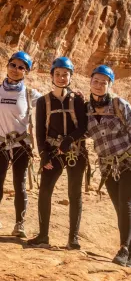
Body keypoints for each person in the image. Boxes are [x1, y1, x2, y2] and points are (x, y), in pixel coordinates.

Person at [85, 65, 131, 268]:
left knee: (126, 204)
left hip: (130, 163)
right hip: (108, 167)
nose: (99, 85)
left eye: (103, 82)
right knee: (120, 209)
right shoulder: (86, 109)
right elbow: (84, 133)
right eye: (95, 81)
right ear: (90, 82)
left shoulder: (119, 105)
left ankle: (123, 249)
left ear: (110, 84)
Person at [27, 57, 88, 249]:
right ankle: (43, 236)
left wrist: (70, 139)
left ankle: (73, 238)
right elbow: (39, 132)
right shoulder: (43, 101)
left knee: (74, 194)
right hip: (53, 152)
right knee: (45, 191)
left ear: (71, 76)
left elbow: (84, 126)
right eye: (58, 74)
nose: (62, 78)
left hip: (75, 153)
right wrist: (43, 155)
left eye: (65, 74)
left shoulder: (78, 99)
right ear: (52, 76)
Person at [0, 52, 41, 238]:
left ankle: (19, 224)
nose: (16, 70)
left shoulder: (30, 94)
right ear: (7, 65)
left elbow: (53, 104)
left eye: (21, 67)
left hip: (21, 145)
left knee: (19, 184)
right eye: (13, 65)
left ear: (26, 72)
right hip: (1, 144)